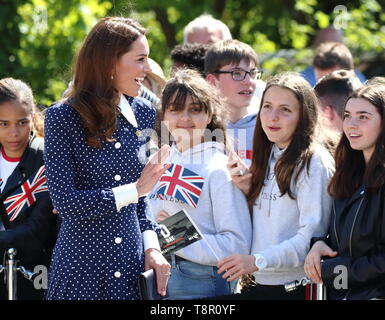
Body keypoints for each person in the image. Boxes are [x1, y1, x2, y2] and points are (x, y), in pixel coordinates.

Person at [44, 17, 172, 300]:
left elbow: (143, 199)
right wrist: (134, 190)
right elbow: (65, 202)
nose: (147, 69)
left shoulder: (144, 113)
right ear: (109, 62)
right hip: (81, 271)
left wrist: (151, 246)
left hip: (131, 268)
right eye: (140, 59)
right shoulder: (61, 117)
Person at [217, 72, 335, 300]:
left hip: (296, 289)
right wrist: (249, 190)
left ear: (303, 116)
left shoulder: (313, 161)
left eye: (285, 110)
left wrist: (257, 260)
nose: (273, 117)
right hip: (259, 283)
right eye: (267, 106)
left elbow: (311, 239)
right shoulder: (270, 151)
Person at [148, 69, 252, 300]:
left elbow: (236, 245)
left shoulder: (219, 168)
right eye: (175, 109)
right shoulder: (158, 161)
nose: (185, 118)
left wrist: (174, 234)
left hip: (202, 283)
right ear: (164, 115)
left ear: (209, 115)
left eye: (195, 110)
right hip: (158, 280)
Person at [304, 83, 385, 300]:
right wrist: (321, 245)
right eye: (348, 115)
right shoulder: (347, 176)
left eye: (363, 117)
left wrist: (333, 271)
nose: (351, 124)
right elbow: (345, 242)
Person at [0, 77, 57, 300]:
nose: (14, 133)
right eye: (3, 123)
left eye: (22, 122)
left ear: (33, 118)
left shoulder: (46, 157)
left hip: (36, 275)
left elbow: (37, 231)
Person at [205, 39, 264, 167]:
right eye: (237, 73)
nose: (249, 81)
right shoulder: (201, 126)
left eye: (253, 73)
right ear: (212, 81)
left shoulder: (267, 125)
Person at [301, 27, 366, 86]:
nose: (330, 49)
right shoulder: (303, 80)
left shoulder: (358, 80)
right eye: (326, 43)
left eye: (335, 44)